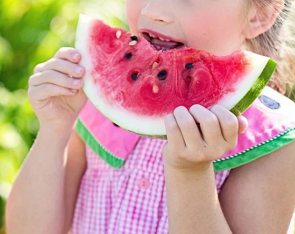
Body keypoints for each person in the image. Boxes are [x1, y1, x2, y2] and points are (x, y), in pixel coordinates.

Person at [5, 0, 295, 233]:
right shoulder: (96, 101)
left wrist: (190, 174)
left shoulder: (273, 140)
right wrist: (53, 131)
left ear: (261, 14)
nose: (152, 11)